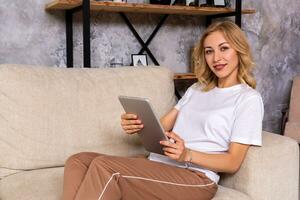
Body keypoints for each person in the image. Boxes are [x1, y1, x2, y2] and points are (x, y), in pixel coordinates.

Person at [62, 21, 264, 200]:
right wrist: (138, 125)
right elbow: (160, 129)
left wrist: (187, 155)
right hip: (160, 163)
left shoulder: (248, 99)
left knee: (105, 167)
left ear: (239, 50)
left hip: (195, 177)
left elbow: (233, 162)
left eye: (224, 48)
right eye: (209, 51)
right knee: (78, 161)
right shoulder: (197, 89)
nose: (216, 58)